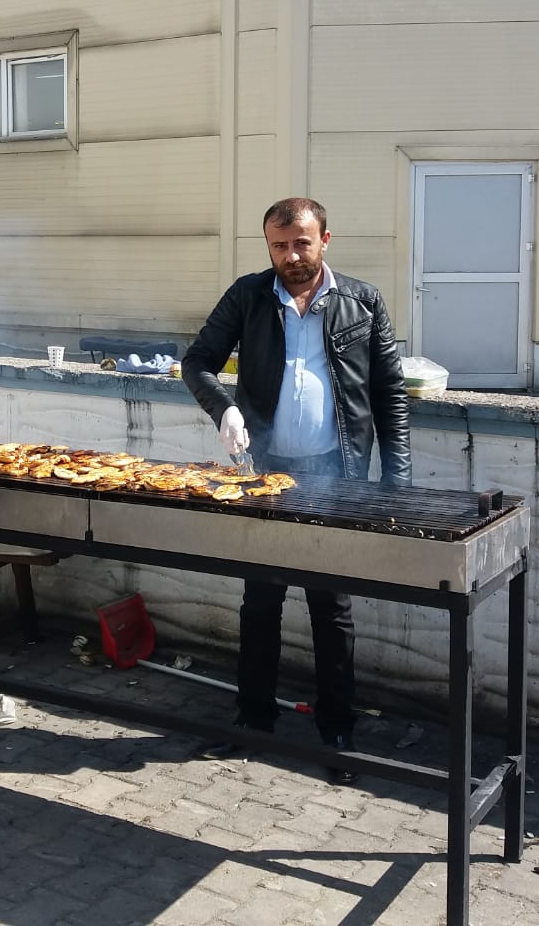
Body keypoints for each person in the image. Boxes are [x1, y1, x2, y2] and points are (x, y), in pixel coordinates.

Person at [181, 196, 410, 783]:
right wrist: (223, 409)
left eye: (302, 243)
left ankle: (338, 734)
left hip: (337, 471)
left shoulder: (362, 300)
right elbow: (198, 361)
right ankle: (253, 721)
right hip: (265, 472)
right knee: (260, 602)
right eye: (279, 246)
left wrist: (396, 483)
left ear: (325, 240)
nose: (291, 256)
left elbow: (389, 393)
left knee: (331, 607)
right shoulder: (249, 295)